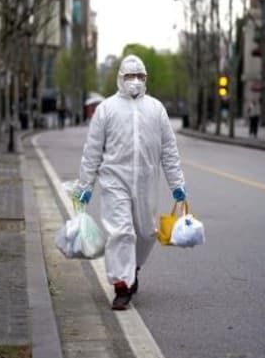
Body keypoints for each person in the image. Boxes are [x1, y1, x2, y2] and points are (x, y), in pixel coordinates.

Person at [75, 54, 187, 311]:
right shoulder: (106, 109)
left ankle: (132, 267)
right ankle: (122, 287)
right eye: (129, 76)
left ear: (146, 79)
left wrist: (177, 184)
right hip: (115, 180)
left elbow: (169, 150)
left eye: (140, 76)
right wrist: (84, 187)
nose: (134, 81)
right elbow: (92, 151)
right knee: (121, 232)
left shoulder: (156, 109)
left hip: (147, 180)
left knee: (146, 233)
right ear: (119, 78)